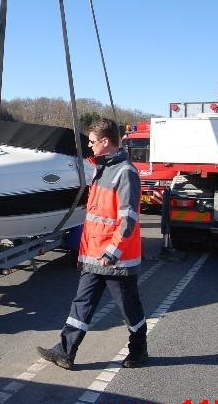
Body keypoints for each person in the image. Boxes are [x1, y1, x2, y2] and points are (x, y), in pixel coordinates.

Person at [36, 118, 148, 369]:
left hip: (115, 259)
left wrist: (112, 251)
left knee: (129, 308)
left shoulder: (125, 172)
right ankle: (65, 351)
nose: (89, 146)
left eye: (93, 141)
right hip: (93, 255)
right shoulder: (102, 167)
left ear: (105, 142)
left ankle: (139, 350)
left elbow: (127, 219)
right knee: (81, 304)